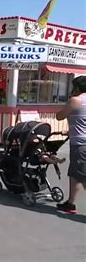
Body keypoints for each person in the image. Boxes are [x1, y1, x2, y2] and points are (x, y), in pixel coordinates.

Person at [56, 76, 86, 214]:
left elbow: (59, 116)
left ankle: (70, 204)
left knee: (82, 175)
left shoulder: (76, 100)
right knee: (75, 174)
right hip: (80, 140)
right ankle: (70, 203)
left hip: (80, 144)